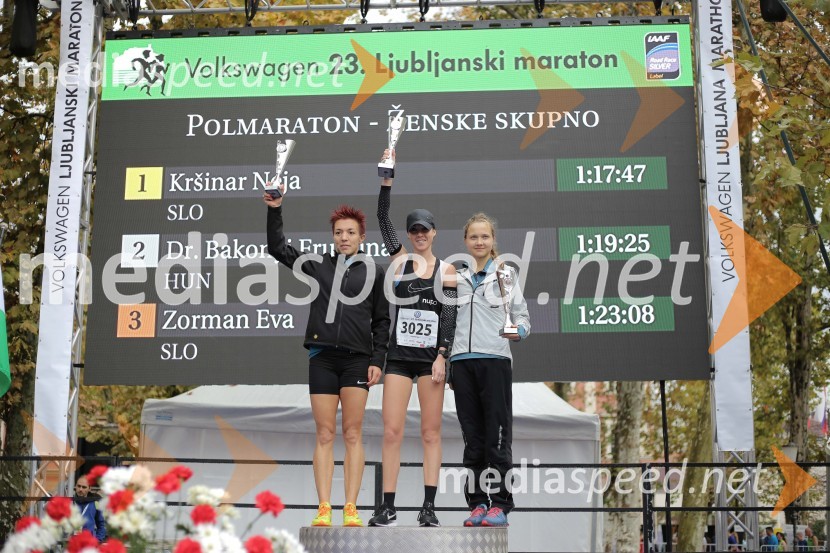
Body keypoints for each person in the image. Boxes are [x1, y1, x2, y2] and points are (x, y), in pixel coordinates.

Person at [265, 185, 391, 527]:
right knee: (324, 434)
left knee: (352, 433)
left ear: (362, 236)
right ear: (332, 236)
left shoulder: (375, 271)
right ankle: (324, 507)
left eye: (350, 232)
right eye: (339, 233)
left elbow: (382, 321)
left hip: (356, 361)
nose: (344, 237)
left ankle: (351, 507)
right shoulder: (318, 264)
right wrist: (275, 208)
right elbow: (277, 248)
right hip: (322, 357)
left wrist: (377, 361)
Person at [368, 152, 457, 527]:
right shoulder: (401, 261)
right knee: (391, 431)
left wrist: (443, 355)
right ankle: (387, 506)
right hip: (400, 359)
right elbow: (382, 218)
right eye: (414, 230)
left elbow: (449, 314)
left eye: (426, 229)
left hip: (430, 361)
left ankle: (429, 507)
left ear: (435, 232)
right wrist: (386, 182)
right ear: (409, 235)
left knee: (430, 432)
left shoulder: (448, 269)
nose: (420, 235)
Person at [451, 213, 530, 527]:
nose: (479, 242)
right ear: (466, 241)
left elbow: (523, 319)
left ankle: (500, 504)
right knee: (473, 440)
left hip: (495, 360)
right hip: (461, 362)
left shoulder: (506, 274)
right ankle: (477, 503)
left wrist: (514, 332)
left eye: (485, 236)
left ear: (493, 240)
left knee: (497, 437)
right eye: (474, 237)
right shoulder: (455, 275)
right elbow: (447, 319)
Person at [73, 475, 106, 542]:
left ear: (89, 488)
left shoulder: (96, 502)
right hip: (73, 542)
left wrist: (97, 540)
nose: (80, 489)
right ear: (75, 486)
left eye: (84, 487)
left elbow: (101, 525)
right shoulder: (71, 502)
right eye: (78, 486)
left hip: (89, 543)